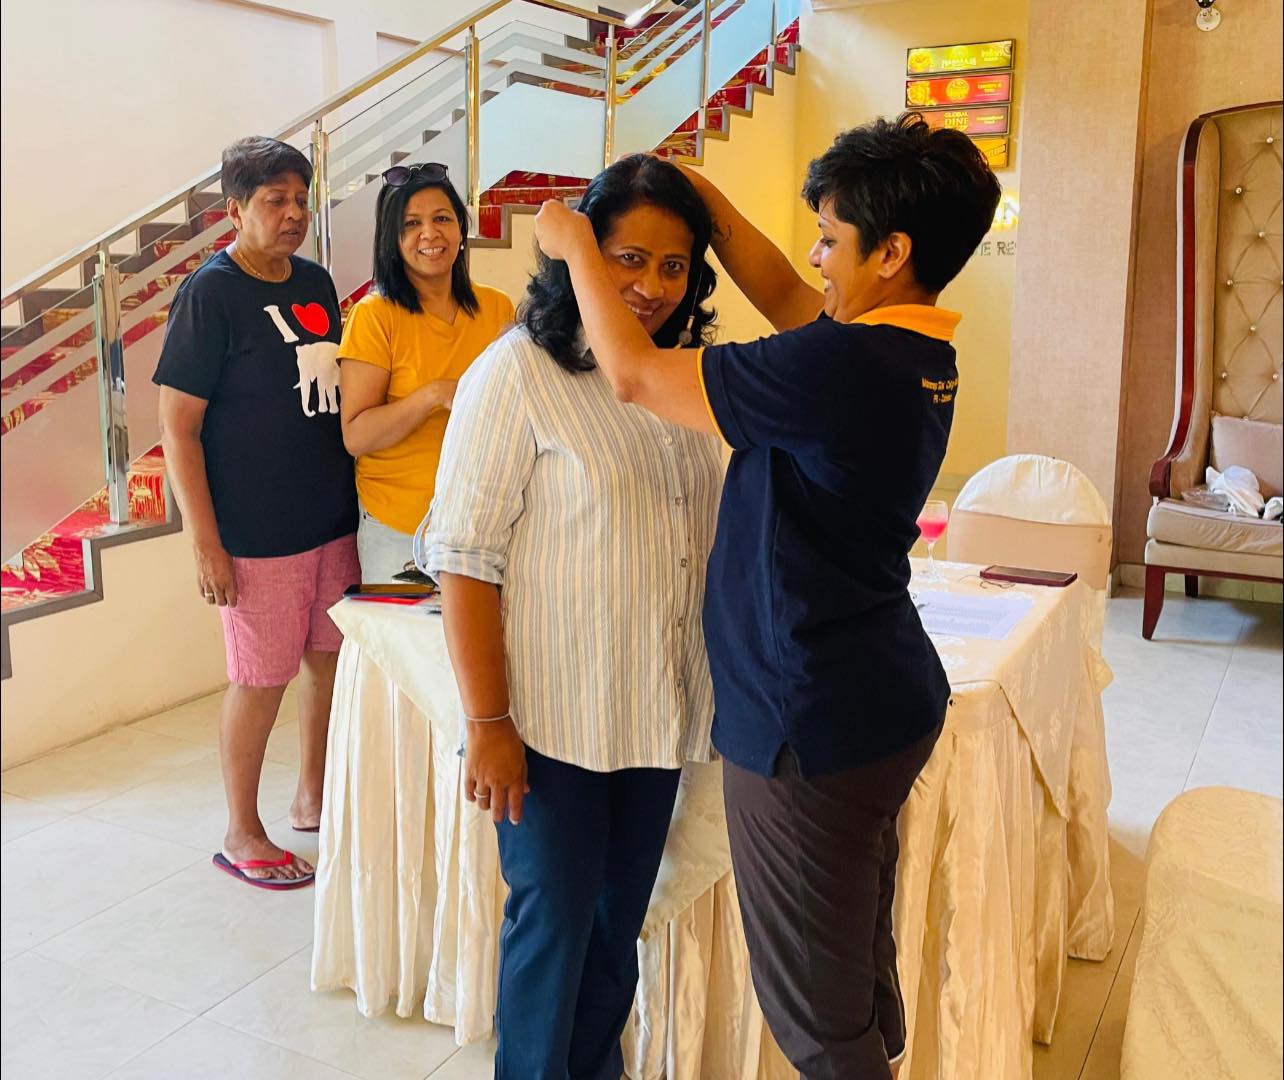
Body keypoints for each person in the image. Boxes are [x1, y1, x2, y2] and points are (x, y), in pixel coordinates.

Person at [532, 114, 1002, 1079]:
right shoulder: (909, 349)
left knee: (817, 1021)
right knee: (853, 967)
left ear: (892, 253)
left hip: (808, 724)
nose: (816, 259)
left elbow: (633, 375)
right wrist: (697, 197)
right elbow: (789, 295)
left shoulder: (838, 368)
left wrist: (575, 246)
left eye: (831, 238)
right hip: (880, 699)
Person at [422, 154, 723, 1080]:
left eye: (674, 267)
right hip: (549, 725)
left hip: (654, 713)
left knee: (614, 927)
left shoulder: (677, 378)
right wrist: (488, 722)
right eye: (630, 258)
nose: (652, 287)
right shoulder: (516, 373)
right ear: (582, 253)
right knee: (552, 928)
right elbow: (464, 558)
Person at [155, 135, 360, 890]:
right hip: (255, 534)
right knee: (260, 678)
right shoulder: (210, 294)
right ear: (235, 210)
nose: (293, 213)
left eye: (301, 199)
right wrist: (204, 542)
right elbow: (177, 428)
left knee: (328, 661)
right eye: (275, 200)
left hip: (330, 517)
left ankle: (313, 795)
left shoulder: (315, 281)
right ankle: (241, 830)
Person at [337, 163, 514, 582]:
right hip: (399, 531)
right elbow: (356, 436)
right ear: (392, 239)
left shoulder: (497, 307)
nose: (430, 234)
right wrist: (434, 394)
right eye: (411, 224)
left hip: (482, 523)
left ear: (460, 228)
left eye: (442, 219)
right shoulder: (374, 316)